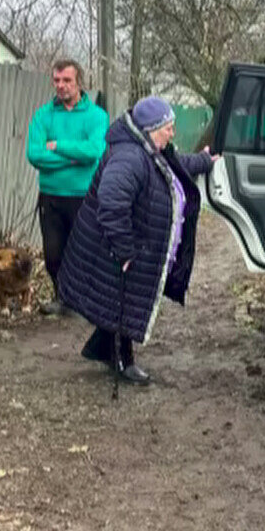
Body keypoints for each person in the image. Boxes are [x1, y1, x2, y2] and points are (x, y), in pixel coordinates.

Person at [57, 96, 217, 384]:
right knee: (123, 301)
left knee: (121, 301)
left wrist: (204, 161)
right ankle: (121, 360)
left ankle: (105, 351)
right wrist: (125, 249)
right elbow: (111, 203)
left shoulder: (148, 148)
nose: (172, 133)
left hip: (127, 244)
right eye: (168, 127)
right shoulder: (130, 157)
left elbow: (175, 164)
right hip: (116, 247)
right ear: (151, 128)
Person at [25, 59, 109, 315]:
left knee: (83, 249)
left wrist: (58, 146)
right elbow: (34, 154)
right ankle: (63, 298)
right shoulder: (43, 115)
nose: (61, 86)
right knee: (53, 253)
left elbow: (94, 151)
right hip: (50, 196)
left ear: (79, 82)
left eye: (67, 81)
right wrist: (74, 157)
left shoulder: (96, 116)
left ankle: (83, 299)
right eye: (57, 80)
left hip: (83, 195)